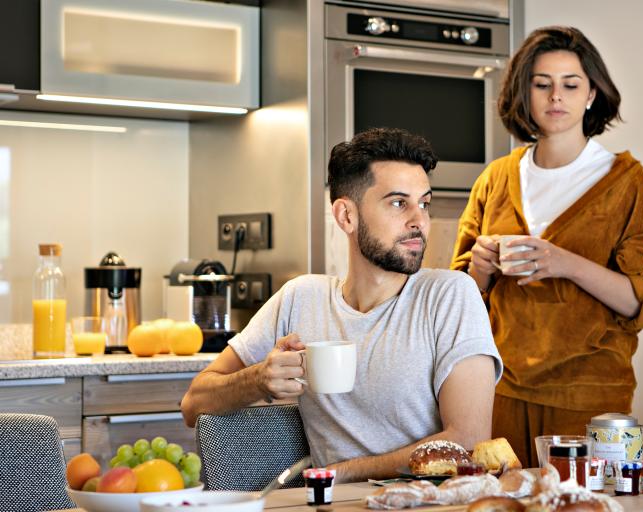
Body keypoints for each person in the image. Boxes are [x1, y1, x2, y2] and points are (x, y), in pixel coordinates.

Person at [182, 127, 502, 482]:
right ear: (346, 216)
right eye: (399, 203)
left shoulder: (450, 295)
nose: (419, 221)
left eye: (423, 203)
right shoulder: (300, 298)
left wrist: (340, 474)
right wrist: (259, 379)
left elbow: (469, 441)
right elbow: (193, 403)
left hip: (428, 505)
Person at [449, 26, 643, 468]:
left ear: (591, 94)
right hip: (498, 391)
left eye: (570, 84)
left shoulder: (626, 182)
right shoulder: (495, 178)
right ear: (525, 94)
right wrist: (479, 270)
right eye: (542, 84)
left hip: (590, 394)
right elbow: (456, 303)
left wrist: (565, 263)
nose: (556, 97)